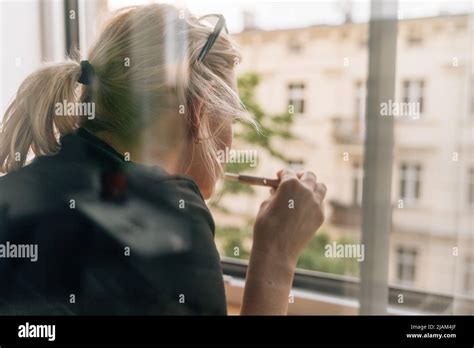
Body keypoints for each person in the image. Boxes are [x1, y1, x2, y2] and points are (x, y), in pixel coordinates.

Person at [0, 4, 326, 315]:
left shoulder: (22, 188)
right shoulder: (171, 220)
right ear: (201, 110)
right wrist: (276, 258)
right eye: (230, 121)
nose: (230, 140)